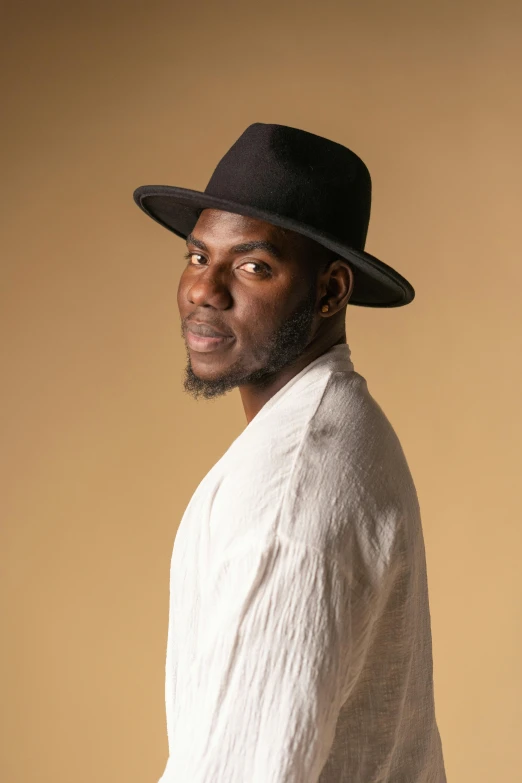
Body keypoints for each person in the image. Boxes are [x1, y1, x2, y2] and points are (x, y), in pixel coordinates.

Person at [133, 123, 447, 782]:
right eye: (197, 256)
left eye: (253, 265)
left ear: (331, 292)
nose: (204, 290)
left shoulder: (292, 493)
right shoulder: (333, 430)